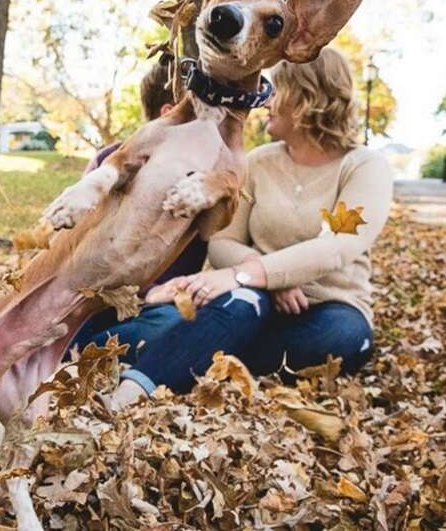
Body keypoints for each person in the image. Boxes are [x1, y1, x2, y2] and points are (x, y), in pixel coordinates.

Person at [104, 47, 394, 408]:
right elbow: (223, 240)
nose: (265, 99)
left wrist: (254, 273)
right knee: (240, 305)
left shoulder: (363, 167)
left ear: (307, 96)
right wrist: (264, 281)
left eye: (277, 88)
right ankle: (135, 388)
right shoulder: (257, 163)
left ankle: (190, 349)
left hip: (329, 306)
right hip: (252, 301)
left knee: (345, 337)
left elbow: (338, 246)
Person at [69, 62, 209, 363]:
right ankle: (83, 353)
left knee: (177, 325)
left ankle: (89, 353)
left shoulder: (206, 177)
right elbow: (81, 249)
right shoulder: (111, 162)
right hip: (99, 301)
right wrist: (145, 294)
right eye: (205, 115)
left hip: (161, 309)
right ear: (170, 113)